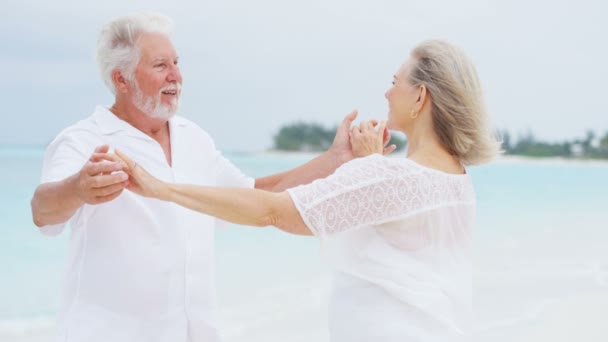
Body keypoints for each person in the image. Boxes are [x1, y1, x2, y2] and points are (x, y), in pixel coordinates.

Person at [29, 12, 393, 342]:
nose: (176, 76)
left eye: (176, 63)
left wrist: (334, 159)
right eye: (160, 66)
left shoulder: (193, 138)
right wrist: (78, 187)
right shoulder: (84, 139)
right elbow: (42, 210)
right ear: (121, 79)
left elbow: (257, 196)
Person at [111, 39, 501, 341]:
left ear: (420, 97)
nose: (386, 93)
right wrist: (365, 164)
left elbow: (272, 211)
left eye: (395, 82)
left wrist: (163, 189)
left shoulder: (390, 178)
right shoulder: (456, 178)